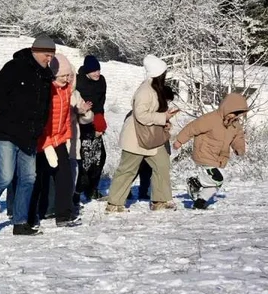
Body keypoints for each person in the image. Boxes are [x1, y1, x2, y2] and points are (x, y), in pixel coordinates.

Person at [0, 34, 57, 236]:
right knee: (5, 177)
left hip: (29, 136)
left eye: (52, 56)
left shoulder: (46, 76)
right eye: (47, 55)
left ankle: (20, 222)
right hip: (5, 132)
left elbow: (45, 107)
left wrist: (38, 127)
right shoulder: (14, 67)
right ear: (36, 51)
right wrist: (15, 117)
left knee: (29, 178)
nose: (49, 59)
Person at [106, 55, 179, 212]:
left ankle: (159, 201)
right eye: (164, 72)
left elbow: (153, 113)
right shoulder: (145, 90)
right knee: (127, 170)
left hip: (152, 137)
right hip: (135, 137)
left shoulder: (155, 89)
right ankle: (114, 204)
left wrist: (165, 121)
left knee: (162, 165)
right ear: (158, 73)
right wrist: (163, 117)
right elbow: (141, 115)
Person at [29, 54, 84, 227]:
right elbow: (41, 118)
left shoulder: (66, 90)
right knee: (38, 178)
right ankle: (30, 215)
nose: (67, 79)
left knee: (65, 175)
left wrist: (66, 136)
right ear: (54, 74)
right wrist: (46, 143)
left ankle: (64, 215)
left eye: (69, 75)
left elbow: (66, 116)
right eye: (63, 76)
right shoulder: (46, 89)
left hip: (59, 139)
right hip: (42, 140)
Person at [174, 93, 248, 210]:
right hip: (204, 153)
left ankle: (200, 202)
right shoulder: (211, 119)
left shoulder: (235, 125)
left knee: (216, 183)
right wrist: (179, 140)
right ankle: (195, 182)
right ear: (227, 108)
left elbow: (238, 138)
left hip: (219, 158)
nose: (235, 116)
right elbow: (192, 128)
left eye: (238, 114)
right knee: (217, 178)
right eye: (234, 112)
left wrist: (239, 149)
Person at [75, 56, 108, 201]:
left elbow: (101, 102)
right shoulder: (78, 81)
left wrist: (100, 119)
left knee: (100, 157)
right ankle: (78, 190)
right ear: (87, 71)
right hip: (81, 124)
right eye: (94, 71)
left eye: (98, 70)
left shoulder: (101, 81)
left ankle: (92, 188)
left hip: (96, 122)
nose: (97, 73)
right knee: (83, 159)